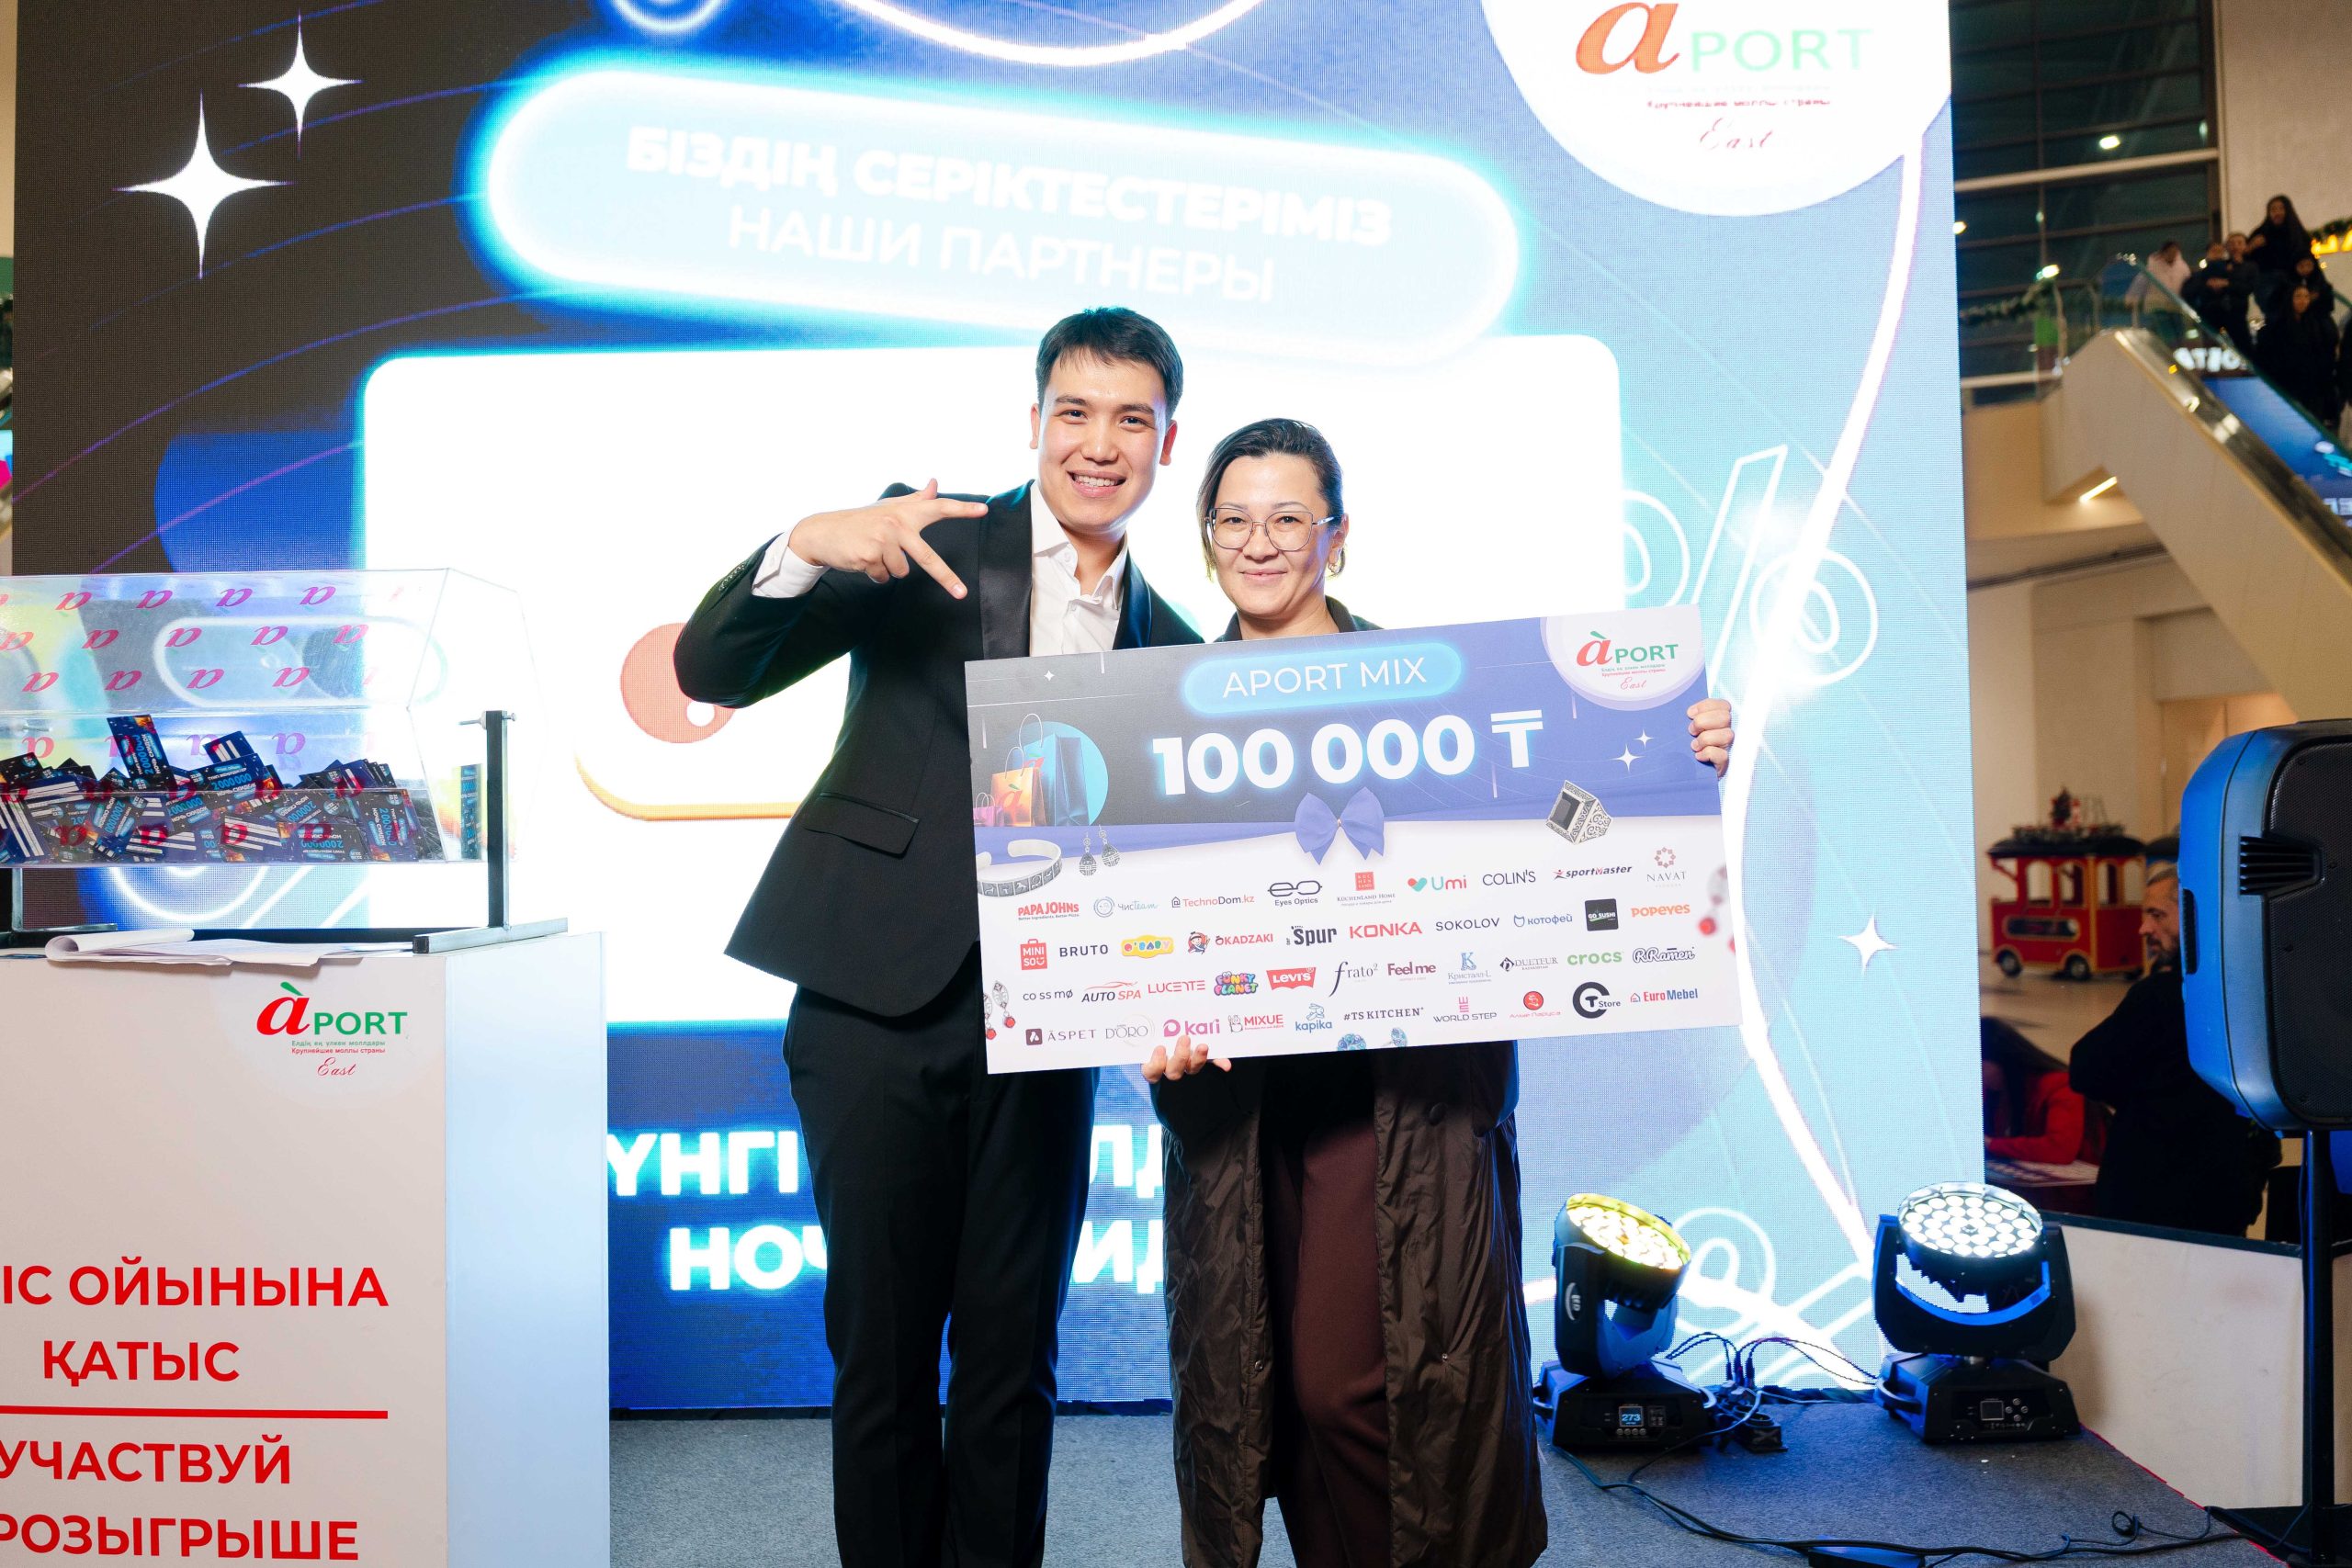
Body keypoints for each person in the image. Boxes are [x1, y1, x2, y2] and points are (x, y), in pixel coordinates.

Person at [1143, 418, 1733, 1568]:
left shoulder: (1434, 696)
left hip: (1396, 1097)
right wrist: (1141, 1015)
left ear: (1337, 537)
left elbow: (1568, 818)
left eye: (1287, 518)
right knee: (1273, 1402)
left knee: (1349, 1388)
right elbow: (1131, 918)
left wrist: (1675, 752)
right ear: (1206, 539)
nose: (1259, 542)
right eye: (1233, 520)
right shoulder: (1161, 714)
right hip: (1243, 1106)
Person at [673, 307, 1203, 1567]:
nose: (1099, 443)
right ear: (1034, 422)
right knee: (884, 1355)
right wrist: (804, 543)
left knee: (1015, 1361)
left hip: (1046, 1034)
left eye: (1130, 419)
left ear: (1166, 445)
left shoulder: (1171, 646)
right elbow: (713, 669)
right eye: (1075, 412)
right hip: (873, 1003)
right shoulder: (924, 544)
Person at [2068, 862, 2278, 1236]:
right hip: (2227, 1197)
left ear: (2193, 914)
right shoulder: (2255, 990)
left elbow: (2085, 1069)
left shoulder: (2159, 997)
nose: (2143, 928)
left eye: (2157, 915)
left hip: (2150, 1199)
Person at [1982, 1017, 2102, 1166]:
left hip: (2090, 1175)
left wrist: (1991, 1144)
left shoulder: (2060, 1085)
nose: (1977, 1077)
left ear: (2005, 1060)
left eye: (1981, 1067)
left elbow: (2059, 1149)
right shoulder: (1997, 1089)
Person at [2255, 282, 2343, 425]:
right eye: (2298, 296)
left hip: (2310, 388)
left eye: (2306, 297)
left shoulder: (2314, 324)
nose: (2303, 301)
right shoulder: (2276, 327)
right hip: (2286, 386)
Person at [2245, 194, 2314, 315]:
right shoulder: (2261, 233)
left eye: (2281, 208)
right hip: (2267, 282)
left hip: (2293, 282)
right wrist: (2252, 246)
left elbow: (2307, 258)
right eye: (2273, 209)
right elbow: (2245, 258)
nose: (2277, 213)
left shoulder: (2298, 234)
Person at [2188, 236, 2255, 356]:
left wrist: (2226, 283)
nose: (2235, 247)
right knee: (2211, 349)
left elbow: (2246, 288)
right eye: (2232, 244)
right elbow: (2191, 290)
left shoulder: (2242, 267)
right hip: (2211, 313)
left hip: (2234, 313)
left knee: (2243, 347)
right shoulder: (2205, 272)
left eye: (2239, 243)